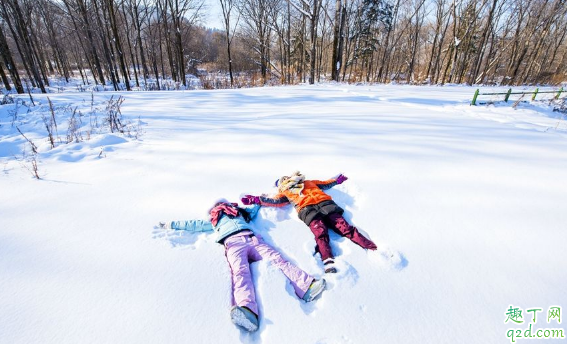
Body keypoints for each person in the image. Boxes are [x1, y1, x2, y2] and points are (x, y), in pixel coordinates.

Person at [159, 200, 325, 333]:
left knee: (278, 259)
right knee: (240, 273)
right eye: (220, 208)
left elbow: (255, 207)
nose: (224, 209)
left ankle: (306, 287)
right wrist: (170, 224)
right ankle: (247, 311)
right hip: (232, 244)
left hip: (252, 239)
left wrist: (260, 200)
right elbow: (193, 224)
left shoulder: (241, 213)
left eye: (226, 206)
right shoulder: (214, 221)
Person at [241, 171, 377, 274]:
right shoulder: (286, 192)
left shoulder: (308, 182)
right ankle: (328, 260)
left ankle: (371, 247)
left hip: (326, 204)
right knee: (321, 233)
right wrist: (256, 200)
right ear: (280, 186)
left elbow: (325, 183)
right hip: (308, 211)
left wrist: (337, 180)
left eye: (285, 178)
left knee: (345, 228)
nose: (285, 181)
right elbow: (276, 201)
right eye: (282, 182)